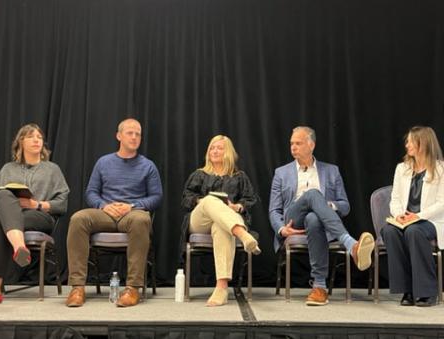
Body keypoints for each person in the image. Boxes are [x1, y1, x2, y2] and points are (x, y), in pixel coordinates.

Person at [269, 126, 375, 306]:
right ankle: (350, 244)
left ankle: (319, 287)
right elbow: (274, 209)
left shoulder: (331, 171)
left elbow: (345, 205)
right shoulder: (282, 173)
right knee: (311, 194)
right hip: (293, 220)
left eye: (298, 143)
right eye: (291, 143)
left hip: (320, 224)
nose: (293, 147)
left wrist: (329, 206)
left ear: (311, 145)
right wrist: (281, 229)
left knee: (314, 218)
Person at [0, 123, 70, 307]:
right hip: (11, 217)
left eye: (39, 137)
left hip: (39, 217)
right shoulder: (8, 169)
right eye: (31, 136)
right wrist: (9, 205)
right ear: (21, 142)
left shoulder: (52, 169)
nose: (36, 140)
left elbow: (62, 204)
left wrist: (35, 204)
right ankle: (19, 247)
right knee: (3, 198)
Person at [66, 118, 162, 308]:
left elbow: (156, 197)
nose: (134, 137)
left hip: (132, 214)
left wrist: (132, 206)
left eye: (138, 134)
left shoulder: (148, 166)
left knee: (141, 220)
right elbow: (91, 192)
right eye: (130, 133)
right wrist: (103, 205)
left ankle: (133, 288)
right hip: (106, 213)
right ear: (119, 136)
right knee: (78, 219)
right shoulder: (104, 162)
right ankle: (77, 287)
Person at [181, 135, 260, 307]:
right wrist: (201, 202)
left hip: (226, 221)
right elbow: (186, 199)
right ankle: (242, 233)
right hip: (200, 221)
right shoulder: (200, 174)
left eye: (219, 148)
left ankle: (221, 288)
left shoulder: (239, 176)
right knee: (210, 200)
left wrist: (237, 207)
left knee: (220, 226)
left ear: (229, 152)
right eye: (212, 148)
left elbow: (250, 199)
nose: (215, 151)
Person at [382, 126, 444, 307]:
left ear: (422, 143)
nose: (407, 145)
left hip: (430, 221)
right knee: (389, 231)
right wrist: (400, 215)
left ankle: (427, 291)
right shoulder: (402, 168)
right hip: (406, 220)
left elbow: (441, 203)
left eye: (410, 141)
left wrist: (416, 216)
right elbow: (395, 199)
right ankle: (407, 290)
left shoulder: (440, 169)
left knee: (414, 232)